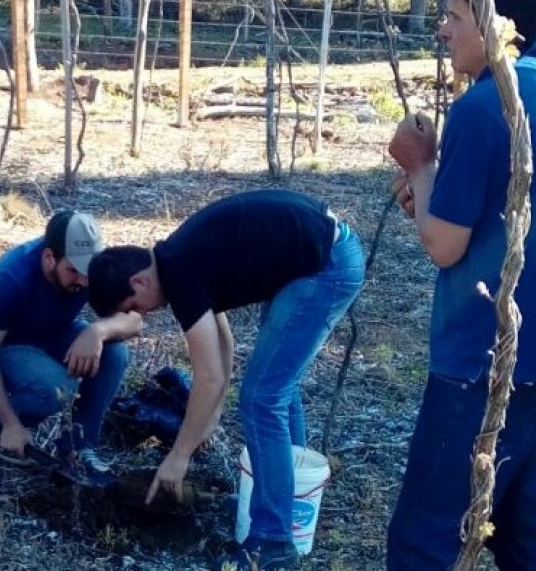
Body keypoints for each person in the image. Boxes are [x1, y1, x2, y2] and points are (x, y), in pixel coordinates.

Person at [385, 0, 536, 568]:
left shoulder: (486, 107)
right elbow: (508, 227)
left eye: (454, 16)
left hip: (481, 361)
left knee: (423, 538)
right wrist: (430, 192)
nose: (443, 31)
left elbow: (444, 246)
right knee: (525, 534)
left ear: (500, 25)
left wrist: (422, 165)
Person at [88, 190, 365, 571]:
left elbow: (210, 375)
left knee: (261, 398)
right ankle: (289, 497)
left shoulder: (180, 271)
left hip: (328, 265)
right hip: (318, 255)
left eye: (133, 307)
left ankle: (272, 540)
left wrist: (178, 456)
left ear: (137, 282)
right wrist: (213, 411)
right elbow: (223, 344)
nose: (142, 315)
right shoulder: (177, 258)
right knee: (274, 387)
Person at [0, 210, 141, 480]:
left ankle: (79, 447)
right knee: (58, 388)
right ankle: (13, 426)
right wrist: (11, 424)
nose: (84, 282)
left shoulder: (90, 272)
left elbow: (134, 319)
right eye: (74, 271)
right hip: (7, 346)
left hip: (53, 333)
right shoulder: (13, 276)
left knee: (115, 353)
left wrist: (98, 330)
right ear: (50, 258)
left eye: (89, 273)